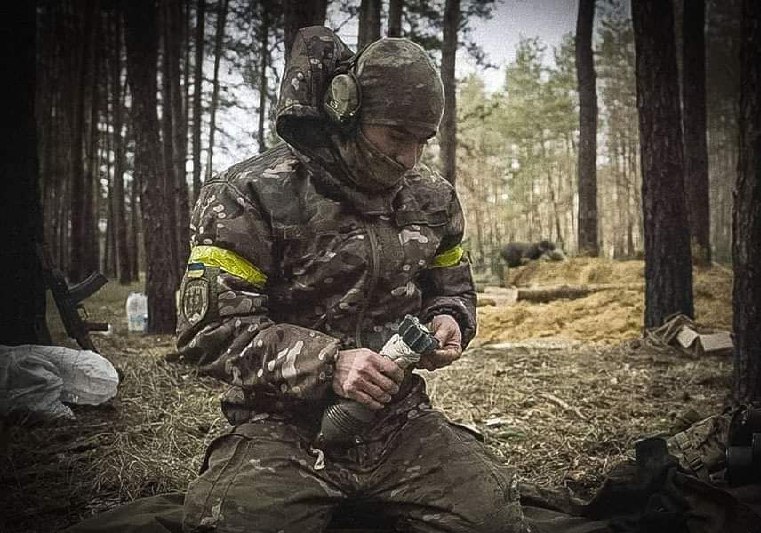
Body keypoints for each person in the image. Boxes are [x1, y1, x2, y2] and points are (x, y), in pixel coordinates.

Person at [172, 26, 526, 532]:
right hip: (283, 427)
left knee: (494, 519)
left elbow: (452, 288)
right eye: (396, 136)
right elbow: (208, 331)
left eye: (422, 141)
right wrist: (329, 363)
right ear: (346, 112)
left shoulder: (432, 199)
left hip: (397, 424)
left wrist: (450, 318)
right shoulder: (250, 194)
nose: (409, 158)